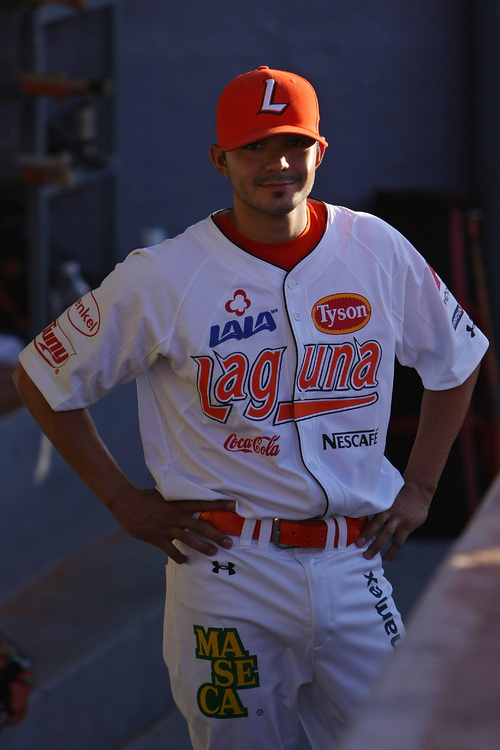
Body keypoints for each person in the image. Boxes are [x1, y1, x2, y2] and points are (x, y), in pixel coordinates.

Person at [13, 65, 488, 750]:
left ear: (320, 151)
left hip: (352, 561)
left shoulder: (375, 247)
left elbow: (458, 358)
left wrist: (420, 489)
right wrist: (121, 501)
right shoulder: (164, 274)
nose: (278, 163)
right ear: (220, 159)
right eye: (255, 146)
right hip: (229, 569)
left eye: (294, 143)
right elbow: (41, 374)